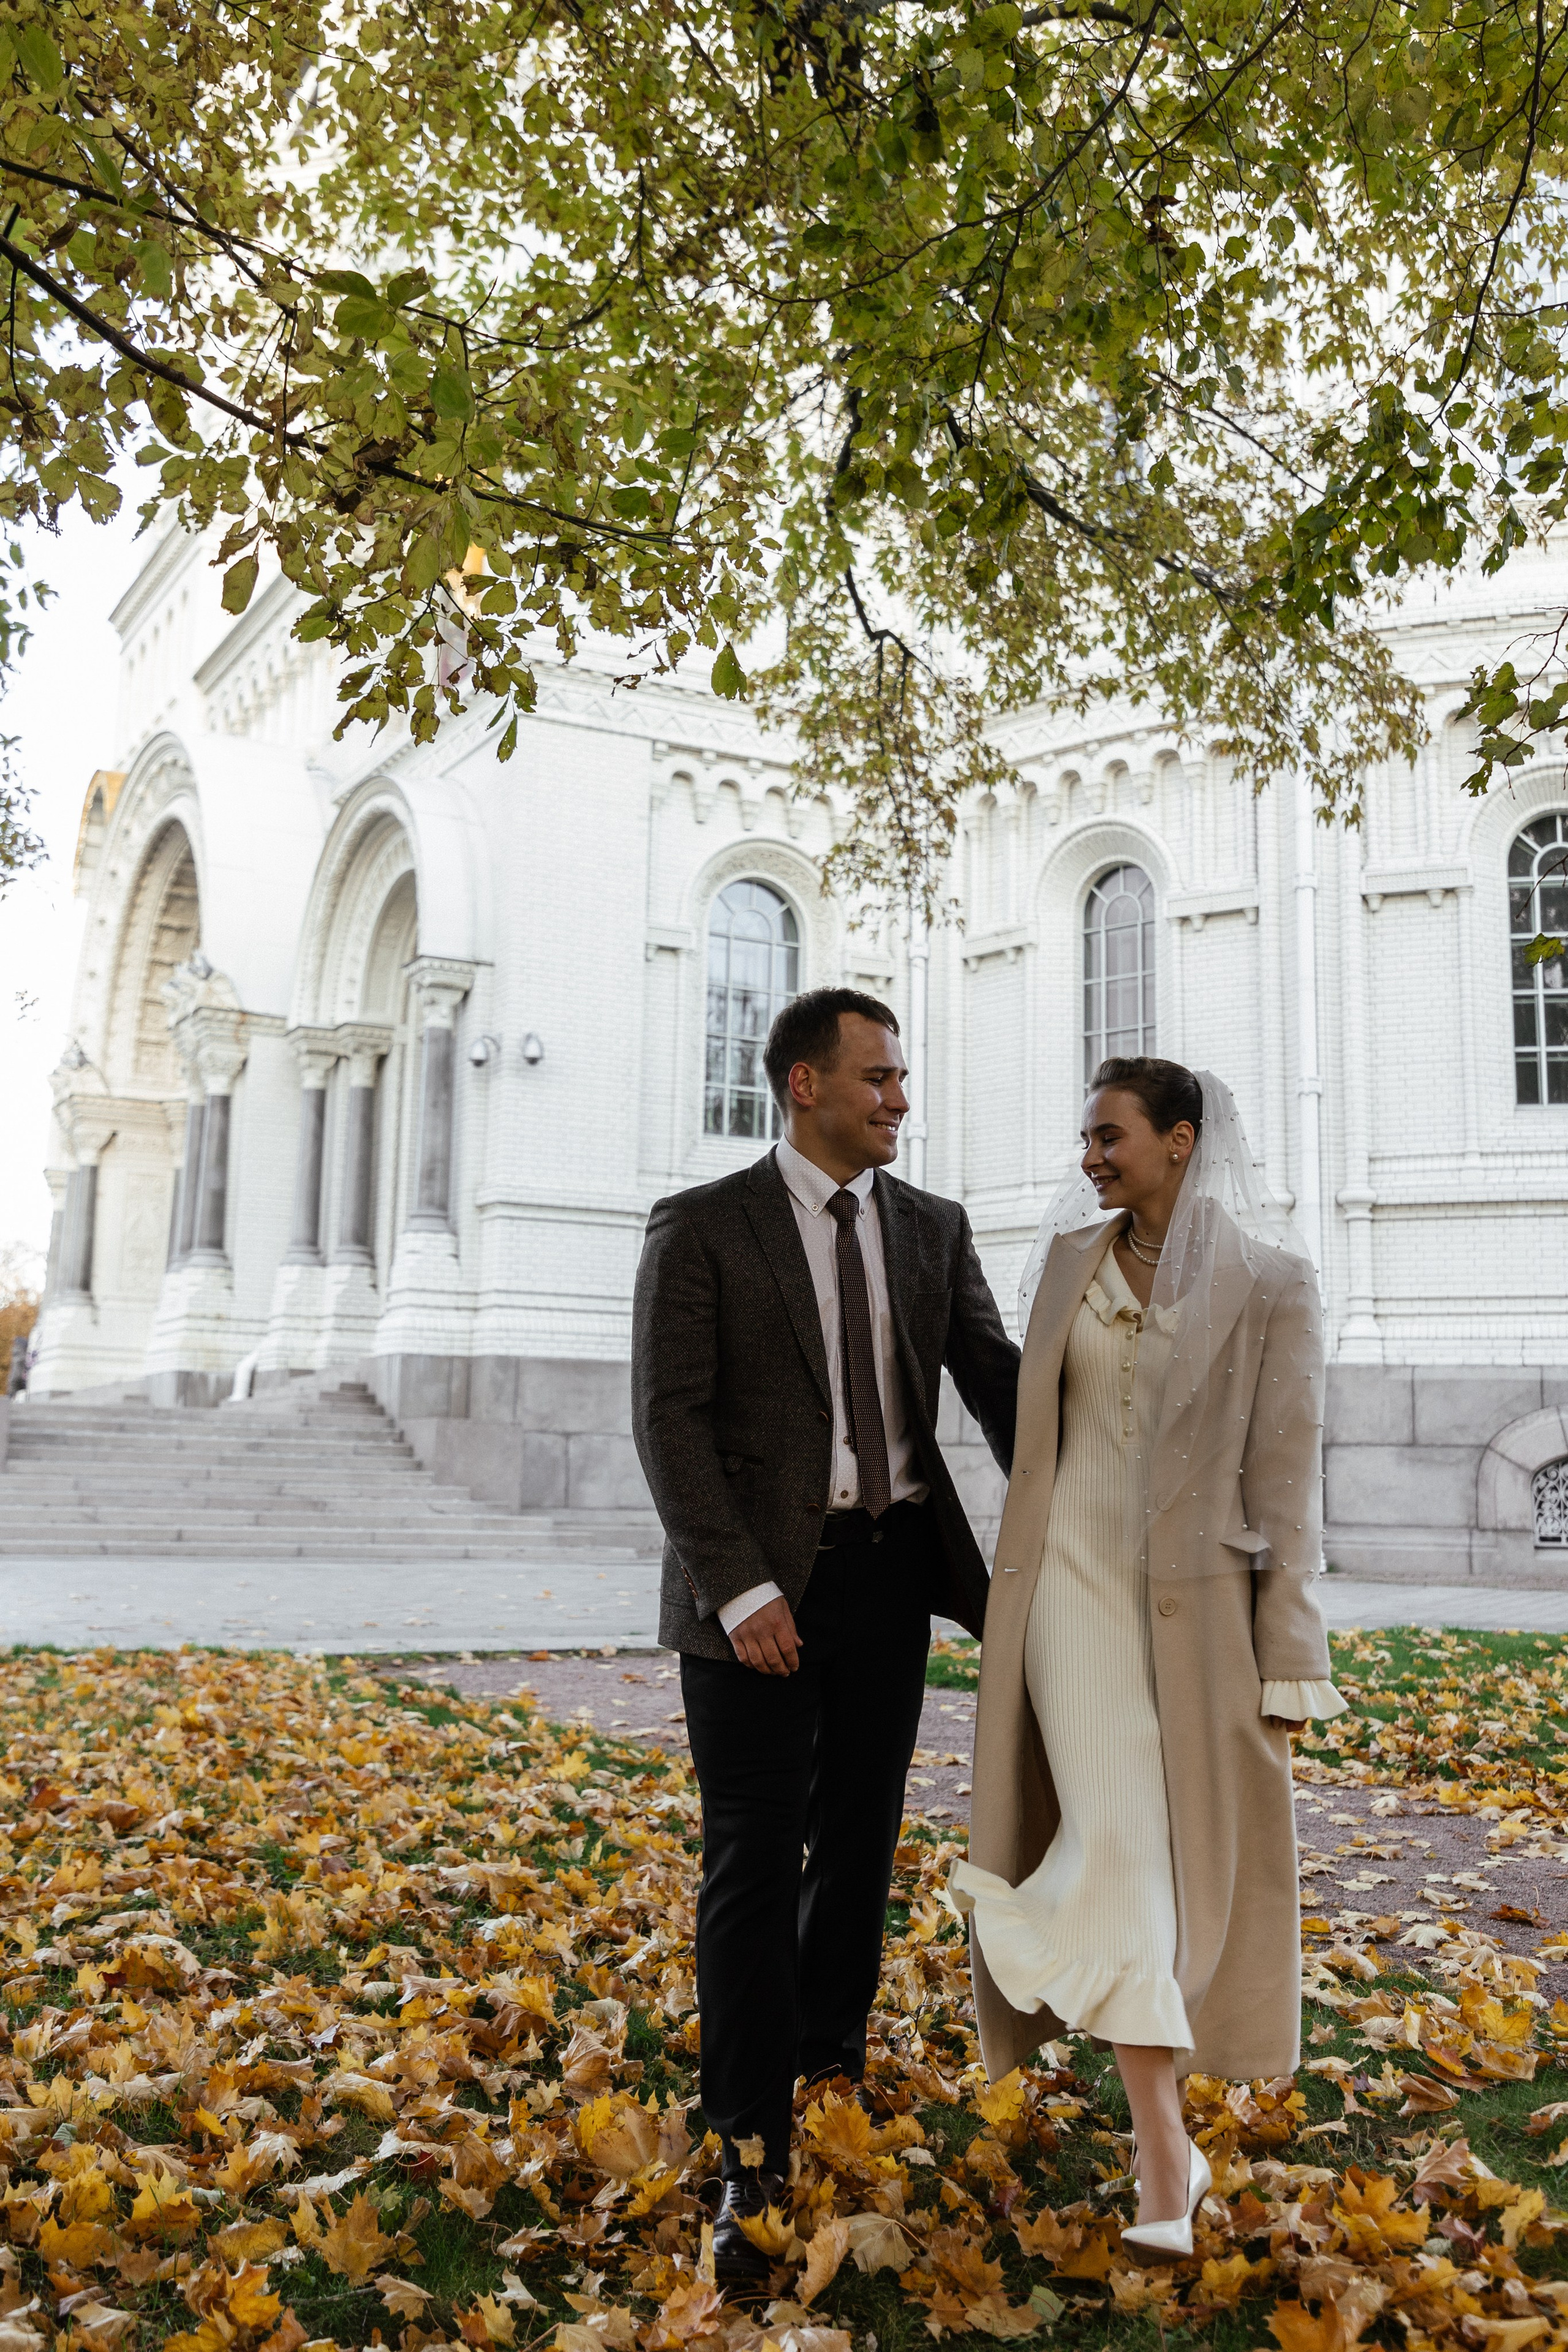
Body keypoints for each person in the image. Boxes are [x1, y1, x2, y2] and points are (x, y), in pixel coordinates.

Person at [631, 987, 1019, 2282]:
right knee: (749, 1859)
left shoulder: (932, 1228)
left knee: (857, 1842)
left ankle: (826, 2063)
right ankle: (747, 2147)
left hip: (889, 1578)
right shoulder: (702, 1228)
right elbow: (669, 1423)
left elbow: (1001, 1389)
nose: (899, 1097)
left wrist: (1122, 1385)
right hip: (752, 1599)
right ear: (804, 1085)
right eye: (878, 1078)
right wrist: (741, 1591)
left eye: (900, 1078)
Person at [952, 1058, 1346, 2262]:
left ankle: (1165, 2148)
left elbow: (1285, 1486)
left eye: (1109, 1135)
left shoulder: (1271, 1286)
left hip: (1193, 1620)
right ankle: (1163, 2156)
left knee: (1156, 1880)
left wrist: (1289, 1651)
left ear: (1178, 1140)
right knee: (1116, 1851)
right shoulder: (1065, 1265)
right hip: (1063, 1594)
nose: (1088, 1157)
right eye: (1083, 1136)